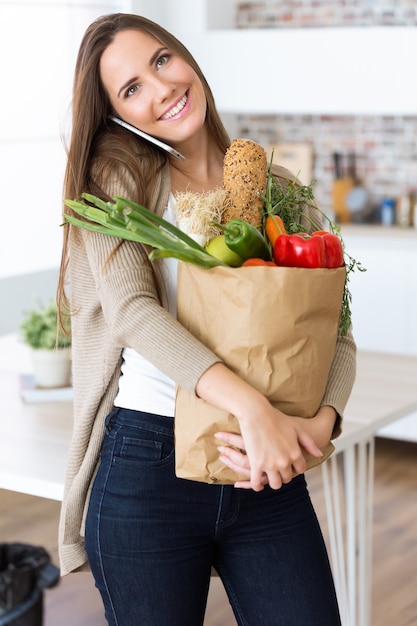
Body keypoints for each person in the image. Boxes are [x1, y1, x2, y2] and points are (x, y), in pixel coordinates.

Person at [57, 12, 356, 626]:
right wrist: (254, 408)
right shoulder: (120, 179)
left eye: (162, 60)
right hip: (148, 467)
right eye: (131, 88)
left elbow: (336, 324)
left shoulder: (278, 187)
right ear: (116, 113)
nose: (160, 88)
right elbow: (134, 314)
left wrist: (321, 425)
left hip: (265, 467)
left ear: (187, 59)